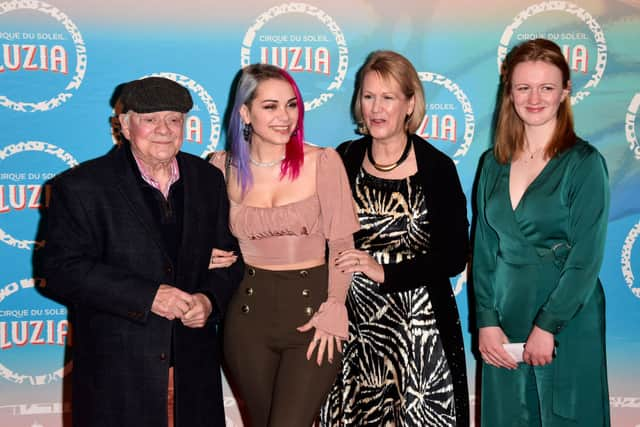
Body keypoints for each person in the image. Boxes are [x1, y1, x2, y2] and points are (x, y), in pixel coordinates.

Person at [39, 76, 244, 427]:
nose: (164, 129)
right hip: (117, 379)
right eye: (150, 119)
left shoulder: (207, 179)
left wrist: (210, 301)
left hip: (193, 377)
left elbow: (229, 260)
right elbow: (60, 270)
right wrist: (149, 297)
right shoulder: (81, 187)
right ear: (125, 125)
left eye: (174, 119)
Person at [320, 50, 470, 427]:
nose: (376, 108)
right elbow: (315, 233)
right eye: (368, 96)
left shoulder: (437, 168)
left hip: (420, 333)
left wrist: (384, 271)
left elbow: (454, 256)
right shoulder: (344, 159)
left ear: (410, 103)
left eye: (388, 97)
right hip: (354, 331)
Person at [208, 63, 360, 427]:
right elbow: (197, 238)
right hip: (247, 320)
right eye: (270, 106)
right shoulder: (219, 167)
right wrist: (202, 257)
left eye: (291, 105)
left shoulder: (323, 161)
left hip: (314, 316)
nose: (284, 116)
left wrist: (336, 305)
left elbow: (342, 244)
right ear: (245, 112)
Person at [472, 38, 611, 426]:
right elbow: (483, 248)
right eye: (523, 87)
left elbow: (586, 259)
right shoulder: (492, 163)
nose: (535, 98)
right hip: (504, 315)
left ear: (565, 92)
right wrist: (485, 320)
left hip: (568, 316)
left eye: (547, 87)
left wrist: (548, 325)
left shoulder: (583, 164)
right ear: (509, 92)